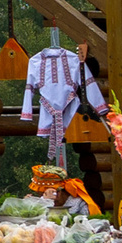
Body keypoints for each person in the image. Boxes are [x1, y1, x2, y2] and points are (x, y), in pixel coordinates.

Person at [21, 41, 106, 176]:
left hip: (71, 109)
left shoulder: (73, 58)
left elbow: (88, 82)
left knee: (75, 141)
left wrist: (99, 106)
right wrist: (27, 112)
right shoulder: (35, 61)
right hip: (48, 112)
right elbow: (29, 87)